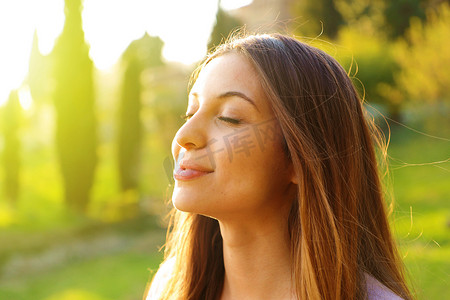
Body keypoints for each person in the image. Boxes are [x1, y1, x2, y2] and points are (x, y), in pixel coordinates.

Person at [145, 33, 413, 300]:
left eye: (230, 118)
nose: (183, 135)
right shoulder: (168, 287)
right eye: (191, 112)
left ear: (300, 159)